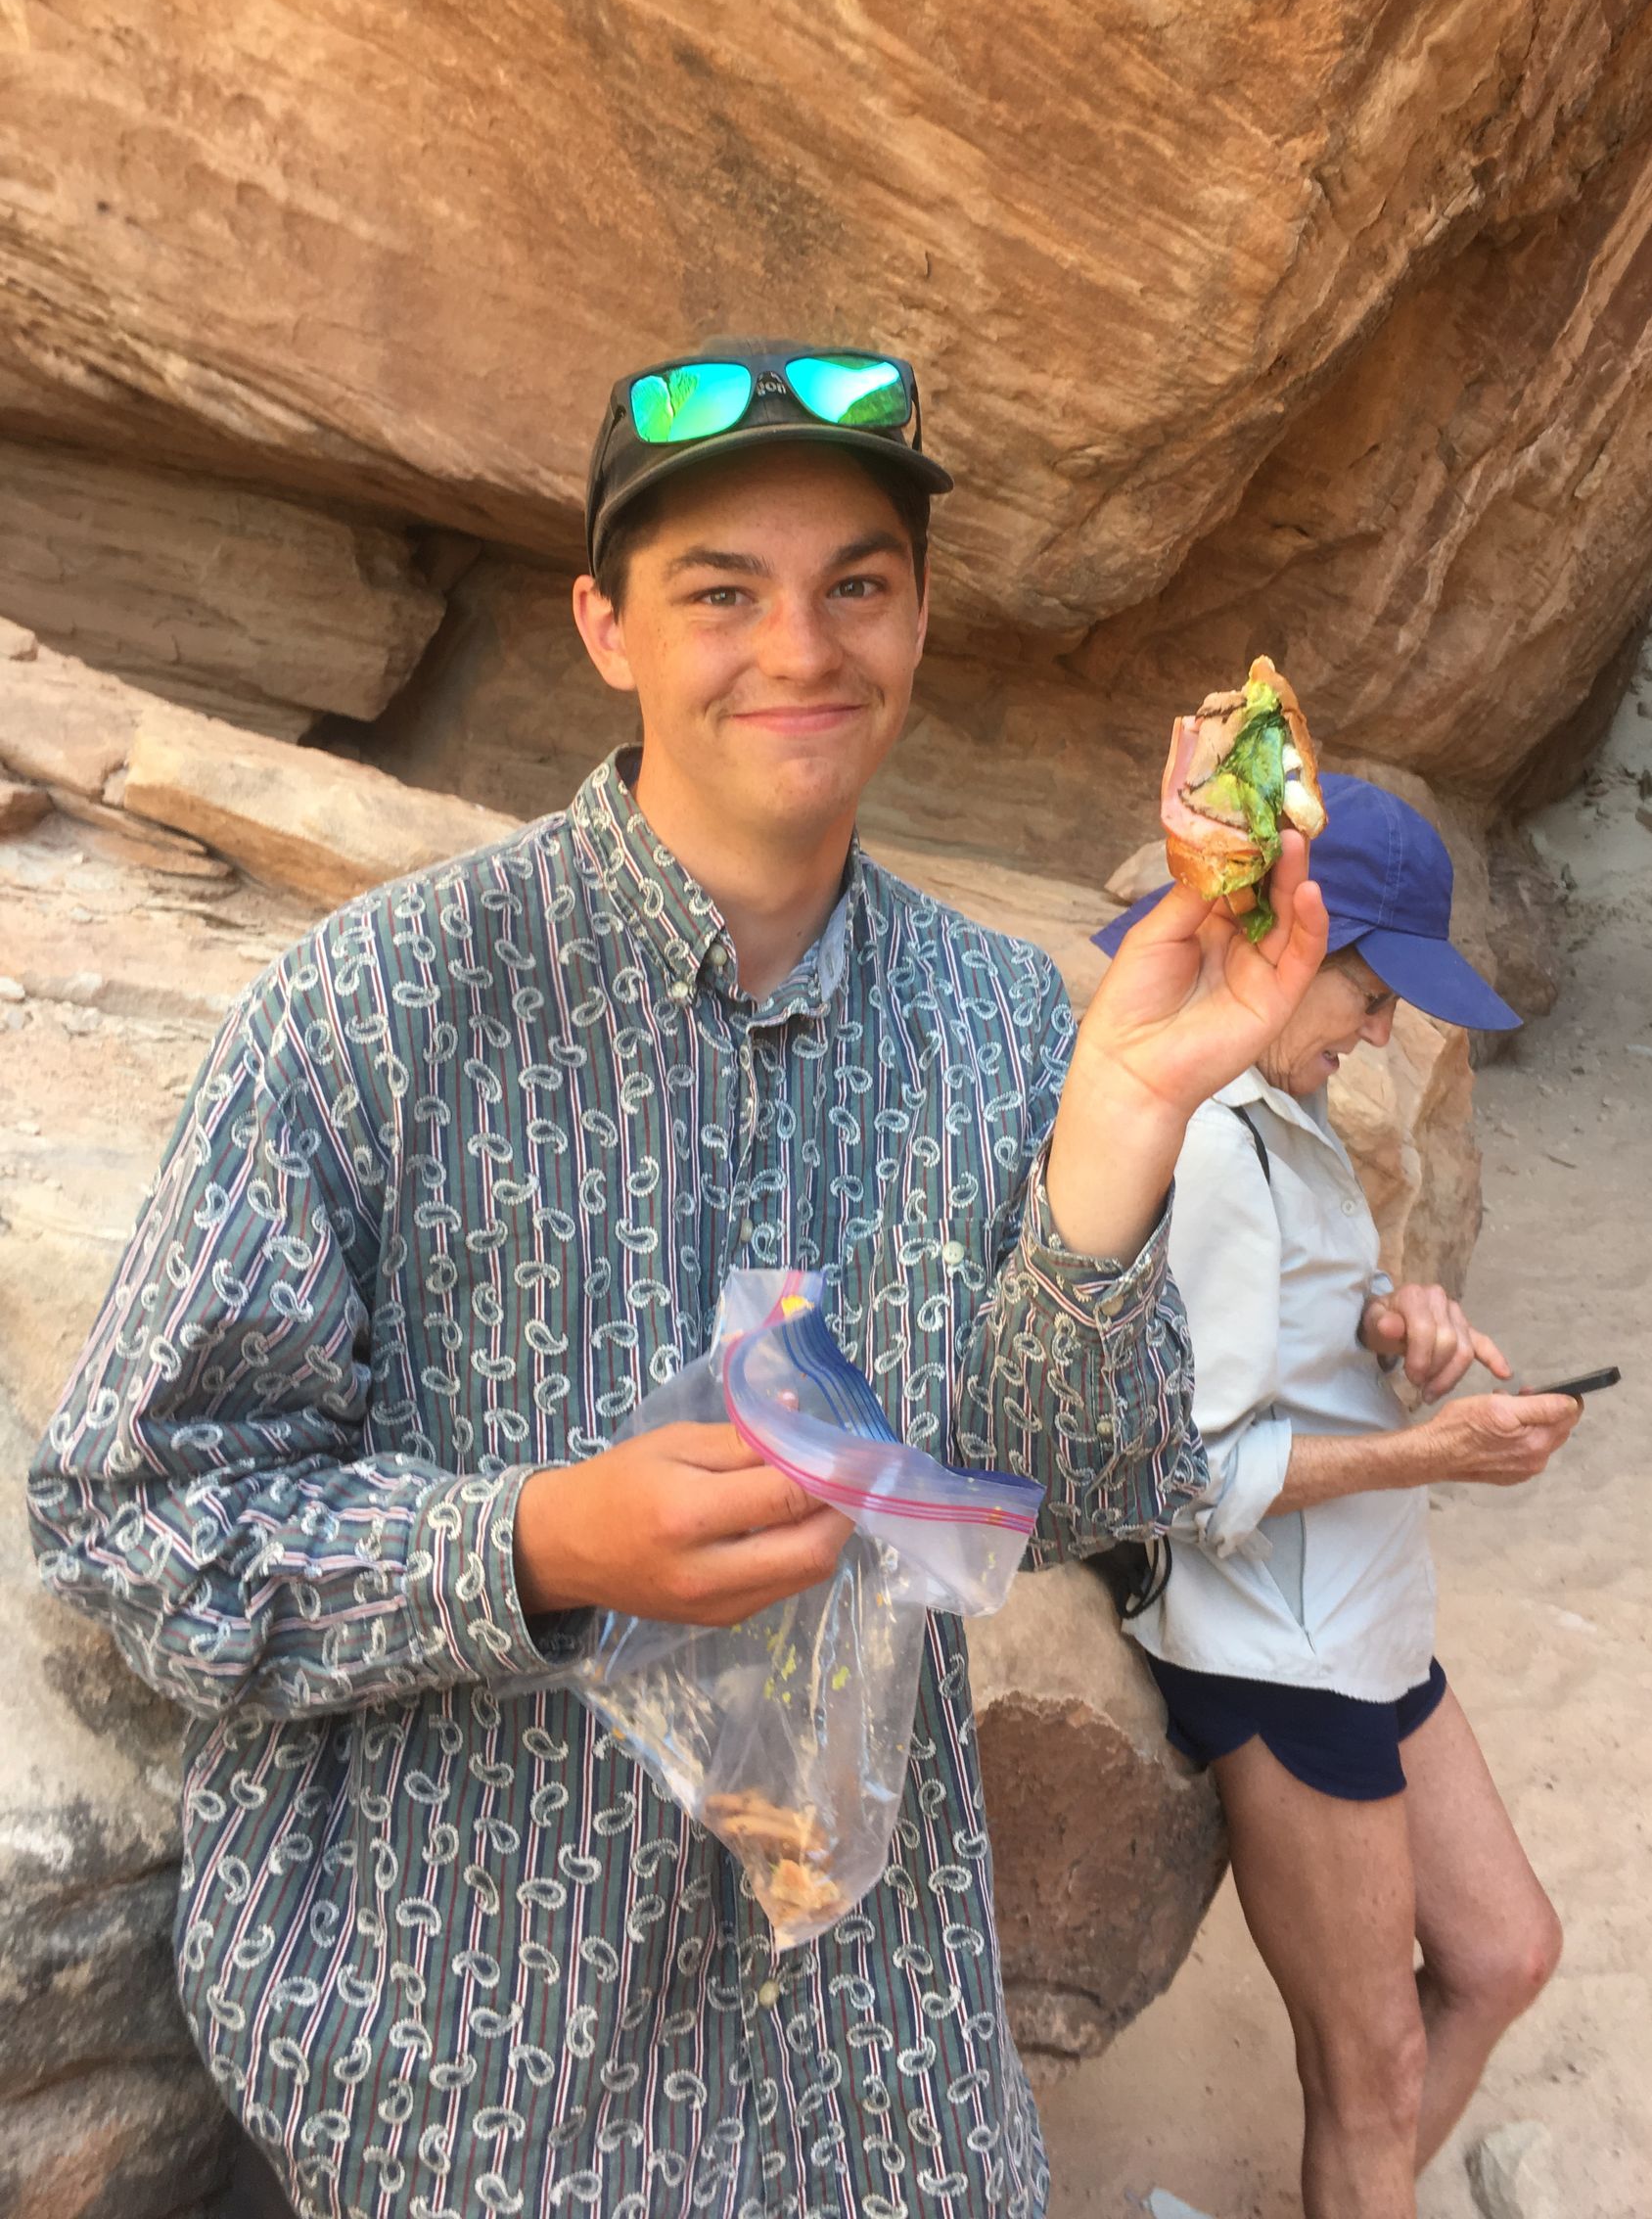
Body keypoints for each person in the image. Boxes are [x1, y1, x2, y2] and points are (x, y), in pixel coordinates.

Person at [28, 340, 1329, 2219]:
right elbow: (136, 1517)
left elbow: (1090, 1495)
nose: (799, 648)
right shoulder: (385, 1004)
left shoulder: (993, 1014)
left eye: (855, 585)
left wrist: (1122, 1121)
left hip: (867, 2066)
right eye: (722, 591)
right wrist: (534, 1544)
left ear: (918, 618)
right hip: (465, 2060)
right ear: (605, 628)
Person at [1094, 773, 1583, 2219]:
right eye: (1373, 991)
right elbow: (1191, 1474)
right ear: (1288, 936)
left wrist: (1394, 1316)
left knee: (1506, 1954)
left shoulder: (1284, 1105)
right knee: (1365, 2076)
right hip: (1279, 1654)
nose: (1383, 1029)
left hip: (1364, 1618)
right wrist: (1439, 1452)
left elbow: (1297, 1318)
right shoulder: (1208, 1136)